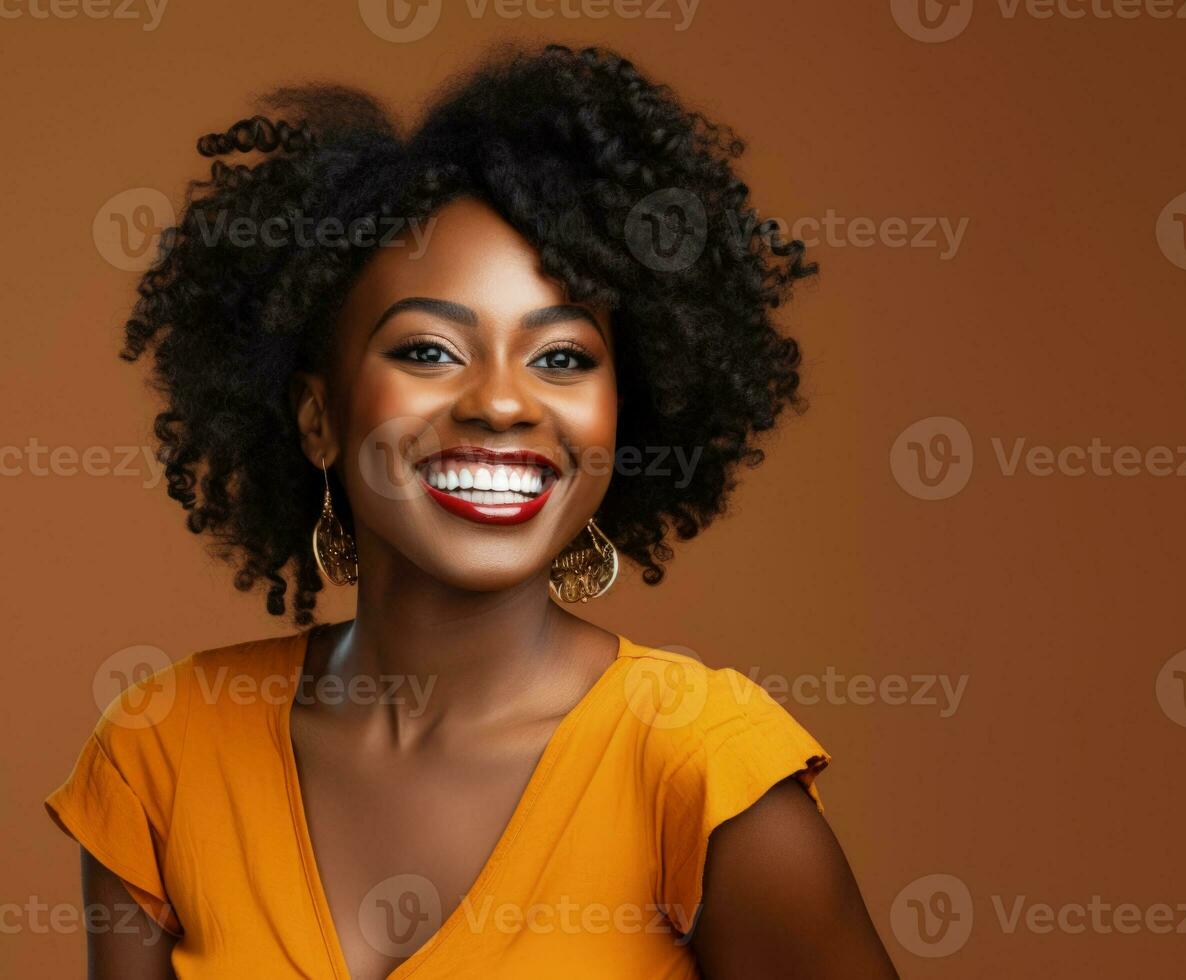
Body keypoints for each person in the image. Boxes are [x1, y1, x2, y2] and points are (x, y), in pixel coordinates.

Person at [43, 42, 899, 979]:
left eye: (563, 358)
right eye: (428, 351)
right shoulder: (162, 752)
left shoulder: (703, 771)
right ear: (319, 416)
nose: (501, 402)